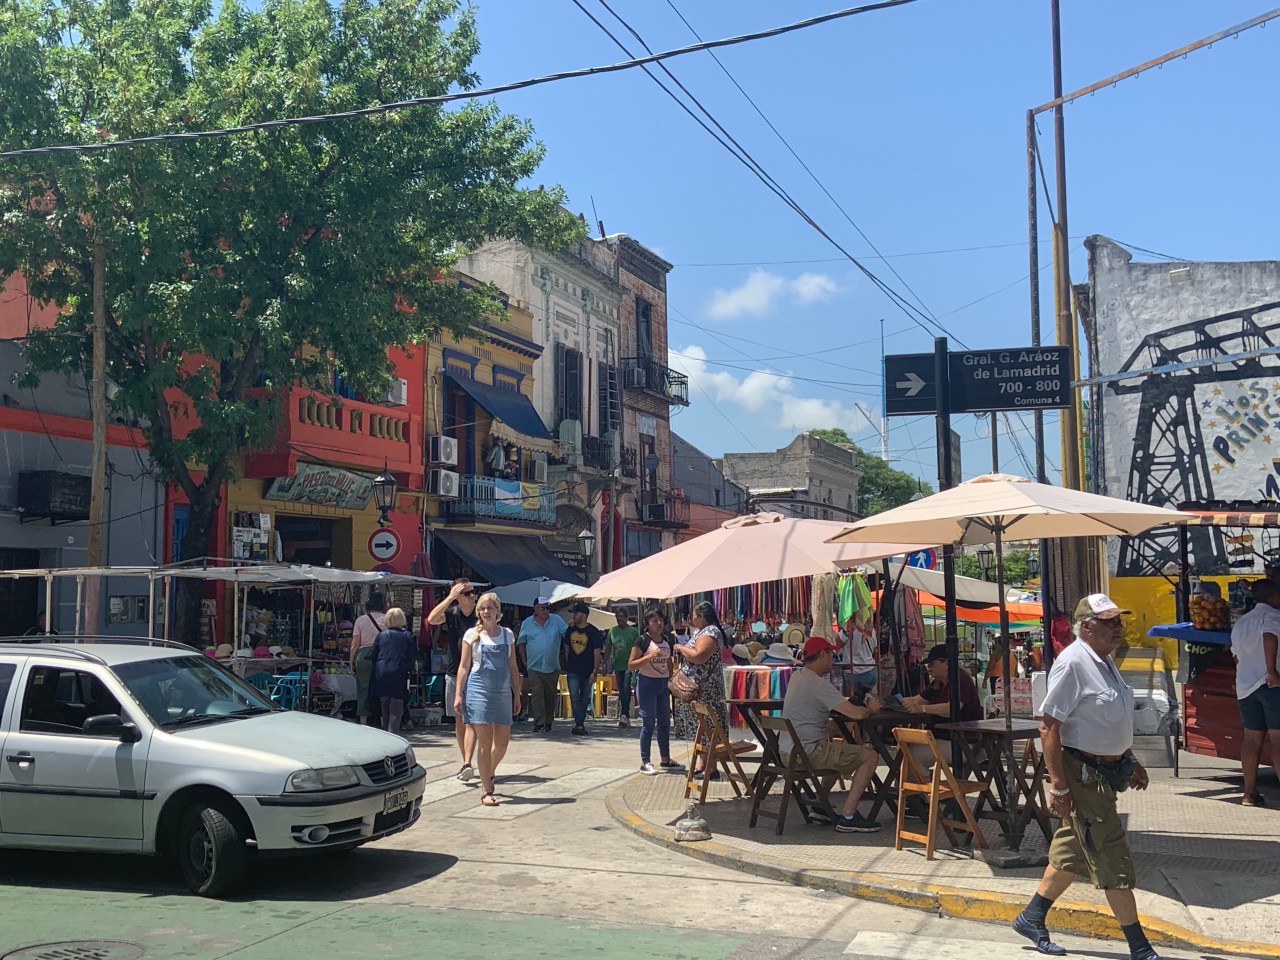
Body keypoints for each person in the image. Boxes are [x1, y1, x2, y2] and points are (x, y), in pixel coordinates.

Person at [1012, 594, 1159, 960]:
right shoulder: (1074, 663)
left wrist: (1129, 757)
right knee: (1110, 852)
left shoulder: (1103, 661)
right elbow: (1048, 726)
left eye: (1118, 621)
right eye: (1110, 622)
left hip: (1105, 772)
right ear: (1087, 627)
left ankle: (1031, 917)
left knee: (1073, 847)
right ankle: (1140, 948)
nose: (1118, 628)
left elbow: (1109, 717)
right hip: (1083, 774)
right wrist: (1059, 786)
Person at [782, 636, 883, 833]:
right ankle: (849, 815)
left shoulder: (797, 676)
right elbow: (856, 714)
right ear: (822, 655)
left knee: (837, 753)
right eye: (831, 654)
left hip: (788, 752)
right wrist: (870, 709)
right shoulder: (819, 685)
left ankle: (820, 806)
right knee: (870, 756)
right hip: (807, 753)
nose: (833, 658)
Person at [455, 592, 521, 807]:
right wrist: (458, 693)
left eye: (490, 608)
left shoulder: (507, 635)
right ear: (478, 612)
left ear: (497, 611)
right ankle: (487, 790)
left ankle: (488, 772)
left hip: (502, 693)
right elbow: (463, 667)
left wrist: (517, 693)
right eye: (482, 608)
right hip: (478, 691)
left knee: (502, 742)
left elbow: (513, 666)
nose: (486, 611)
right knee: (485, 741)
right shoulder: (472, 635)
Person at [896, 643, 984, 773]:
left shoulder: (960, 680)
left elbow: (951, 709)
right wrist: (894, 702)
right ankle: (920, 784)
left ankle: (925, 785)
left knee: (913, 754)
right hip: (946, 737)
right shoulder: (938, 682)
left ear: (946, 663)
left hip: (964, 743)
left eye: (932, 663)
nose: (929, 668)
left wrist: (922, 709)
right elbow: (919, 699)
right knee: (904, 748)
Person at [1229, 579, 1280, 806]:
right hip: (1270, 685)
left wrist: (1243, 677)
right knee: (1278, 739)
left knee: (1251, 739)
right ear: (1273, 597)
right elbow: (1269, 636)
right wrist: (1272, 671)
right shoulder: (1272, 615)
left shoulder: (1241, 622)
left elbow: (1236, 656)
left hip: (1246, 687)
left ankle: (1249, 793)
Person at [672, 600, 731, 779]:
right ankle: (704, 764)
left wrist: (681, 648)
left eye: (694, 616)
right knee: (703, 727)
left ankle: (710, 767)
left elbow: (699, 656)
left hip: (705, 690)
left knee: (708, 726)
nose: (692, 620)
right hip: (700, 689)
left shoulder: (710, 632)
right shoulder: (703, 631)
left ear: (702, 617)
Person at [429, 578, 478, 781]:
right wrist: (449, 598)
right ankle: (466, 761)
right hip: (454, 672)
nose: (472, 596)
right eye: (466, 593)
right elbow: (432, 619)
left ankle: (468, 762)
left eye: (473, 591)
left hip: (477, 673)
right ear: (458, 596)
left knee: (472, 720)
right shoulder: (452, 613)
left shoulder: (480, 614)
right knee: (459, 719)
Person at [629, 608, 683, 775]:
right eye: (654, 621)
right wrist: (649, 656)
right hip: (647, 684)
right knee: (648, 724)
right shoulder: (642, 641)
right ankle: (645, 762)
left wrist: (671, 679)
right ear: (647, 624)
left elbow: (668, 662)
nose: (659, 624)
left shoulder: (667, 640)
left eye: (660, 620)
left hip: (663, 685)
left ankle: (665, 759)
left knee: (665, 723)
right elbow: (631, 664)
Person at [517, 596, 568, 733]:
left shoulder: (557, 620)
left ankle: (548, 721)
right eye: (543, 608)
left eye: (547, 608)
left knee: (550, 695)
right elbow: (521, 643)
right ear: (535, 608)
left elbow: (568, 635)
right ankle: (539, 723)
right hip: (534, 665)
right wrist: (525, 661)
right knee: (537, 694)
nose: (546, 611)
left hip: (552, 665)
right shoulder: (527, 623)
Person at [366, 607, 415, 735]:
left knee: (385, 707)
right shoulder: (407, 635)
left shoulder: (381, 635)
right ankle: (393, 734)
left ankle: (386, 732)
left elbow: (373, 655)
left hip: (382, 672)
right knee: (396, 709)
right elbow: (412, 656)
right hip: (398, 672)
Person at [563, 601, 604, 735]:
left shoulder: (593, 632)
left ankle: (580, 723)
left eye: (576, 613)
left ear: (584, 615)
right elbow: (566, 647)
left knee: (585, 698)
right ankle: (579, 724)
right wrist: (568, 663)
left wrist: (595, 671)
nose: (574, 616)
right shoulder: (570, 629)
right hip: (573, 669)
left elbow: (597, 652)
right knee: (574, 696)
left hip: (588, 670)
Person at [348, 592, 386, 725]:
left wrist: (351, 660)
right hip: (381, 654)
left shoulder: (360, 620)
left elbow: (355, 643)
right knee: (382, 688)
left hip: (363, 655)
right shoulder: (386, 619)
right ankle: (383, 721)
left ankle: (363, 722)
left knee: (363, 689)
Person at [606, 608, 639, 728]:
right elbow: (608, 647)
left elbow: (638, 647)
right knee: (621, 690)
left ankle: (624, 714)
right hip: (617, 665)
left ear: (626, 617)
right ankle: (625, 715)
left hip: (629, 665)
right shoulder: (612, 631)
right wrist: (605, 663)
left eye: (621, 616)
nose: (619, 619)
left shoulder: (633, 631)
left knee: (626, 688)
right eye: (617, 616)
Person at [841, 615, 879, 703]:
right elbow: (874, 648)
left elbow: (837, 644)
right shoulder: (870, 629)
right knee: (868, 702)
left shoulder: (848, 628)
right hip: (869, 670)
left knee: (851, 703)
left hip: (852, 673)